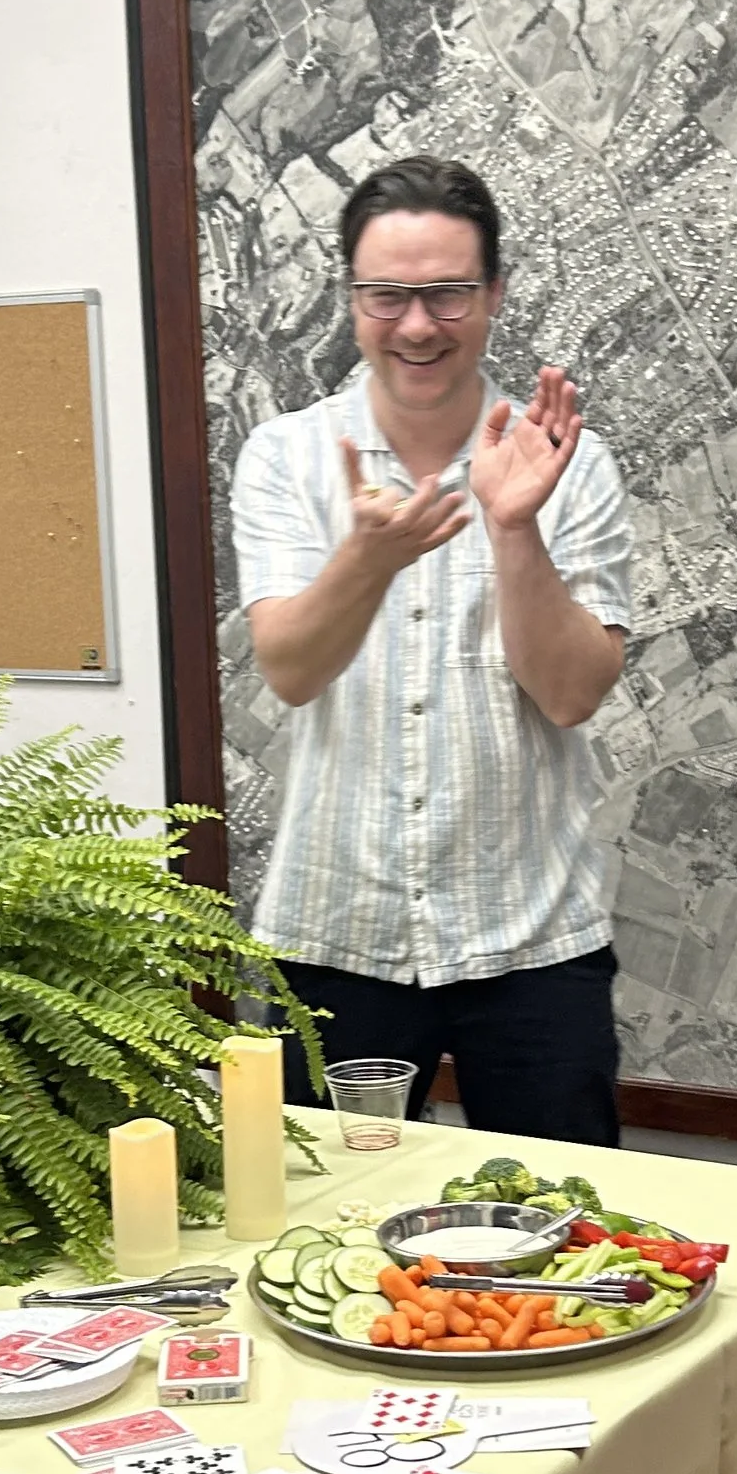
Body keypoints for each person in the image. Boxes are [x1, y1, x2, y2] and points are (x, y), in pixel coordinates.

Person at [233, 152, 635, 1146]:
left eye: (448, 294)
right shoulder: (285, 456)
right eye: (386, 295)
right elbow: (290, 668)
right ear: (351, 298)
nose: (417, 325)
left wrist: (512, 528)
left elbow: (574, 693)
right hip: (336, 929)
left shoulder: (566, 468)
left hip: (533, 939)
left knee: (558, 1244)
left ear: (493, 295)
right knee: (319, 1240)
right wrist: (367, 560)